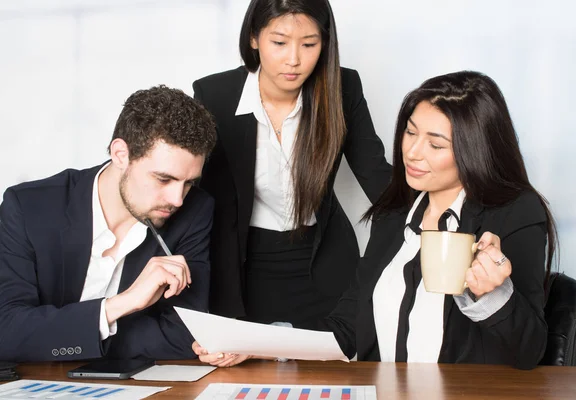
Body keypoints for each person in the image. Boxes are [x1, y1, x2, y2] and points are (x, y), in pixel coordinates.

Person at [323, 70, 558, 370]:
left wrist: (495, 294)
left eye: (435, 145)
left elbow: (531, 351)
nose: (412, 152)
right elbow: (348, 324)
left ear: (474, 151)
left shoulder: (514, 212)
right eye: (410, 132)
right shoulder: (395, 212)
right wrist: (269, 345)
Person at [192, 0, 391, 335]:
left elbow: (379, 179)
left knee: (330, 382)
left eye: (309, 44)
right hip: (243, 270)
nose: (294, 60)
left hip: (325, 266)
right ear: (254, 38)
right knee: (249, 384)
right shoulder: (214, 96)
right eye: (279, 43)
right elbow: (197, 195)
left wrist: (444, 219)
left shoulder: (342, 89)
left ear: (325, 43)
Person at [0, 85, 216, 362]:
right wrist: (121, 304)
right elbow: (6, 332)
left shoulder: (195, 211)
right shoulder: (29, 207)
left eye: (188, 183)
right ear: (120, 155)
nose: (177, 200)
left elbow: (185, 334)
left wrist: (63, 334)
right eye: (163, 179)